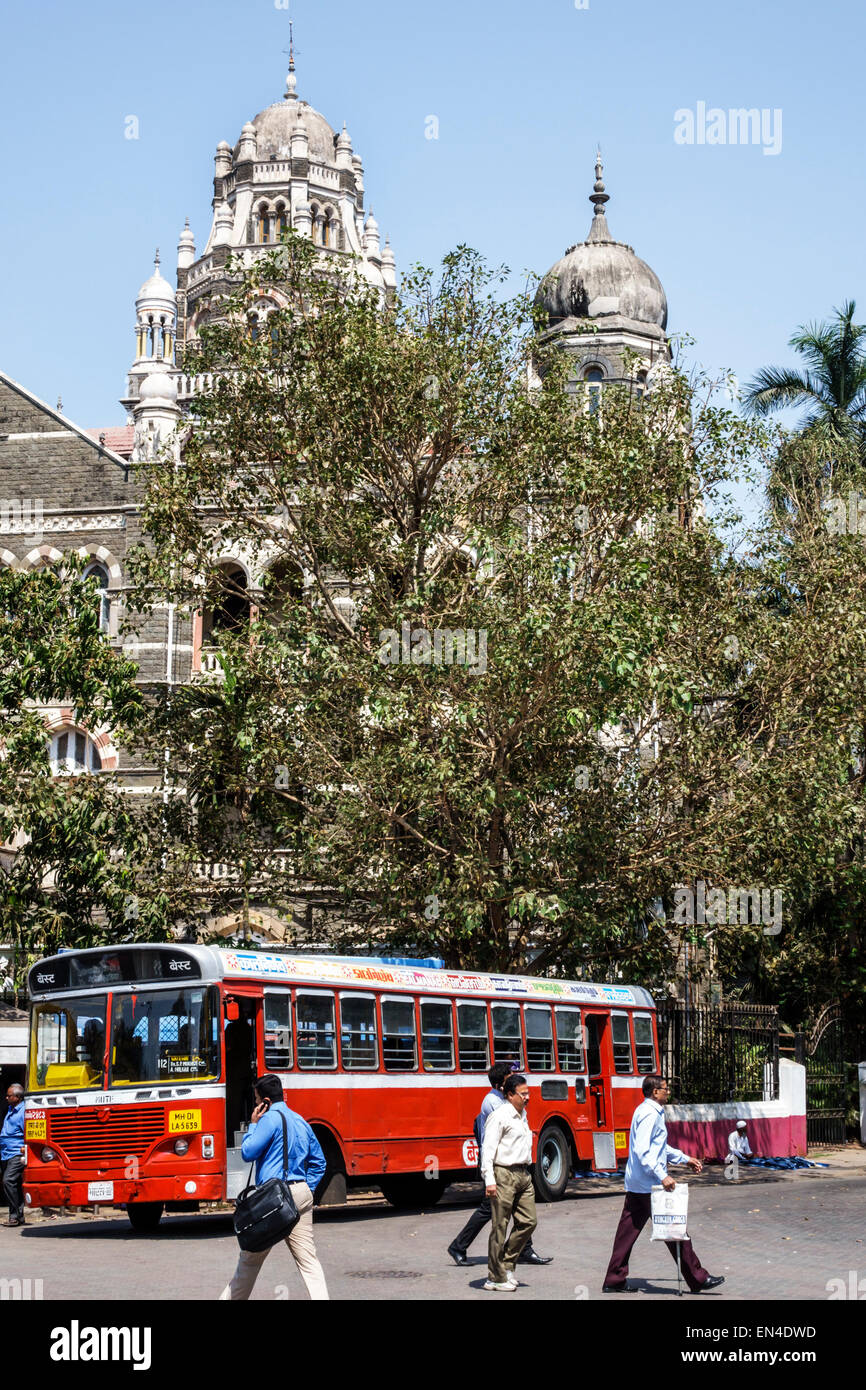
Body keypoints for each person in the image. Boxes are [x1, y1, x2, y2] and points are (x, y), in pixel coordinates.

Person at [602, 1074, 724, 1294]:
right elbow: (643, 1150)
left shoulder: (647, 1111)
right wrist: (662, 1175)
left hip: (638, 1183)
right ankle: (697, 1278)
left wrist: (684, 1158)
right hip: (649, 1184)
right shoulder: (649, 1114)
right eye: (665, 1089)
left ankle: (614, 1278)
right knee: (675, 1228)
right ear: (655, 1092)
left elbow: (660, 1148)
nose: (668, 1092)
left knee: (626, 1233)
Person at [219, 1074, 329, 1300]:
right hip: (301, 1193)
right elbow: (320, 1162)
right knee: (309, 1261)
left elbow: (248, 1152)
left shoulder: (268, 1120)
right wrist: (308, 1189)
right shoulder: (300, 1121)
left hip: (273, 1199)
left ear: (265, 1101)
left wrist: (253, 1124)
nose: (256, 1104)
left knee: (249, 1261)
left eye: (257, 1099)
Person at [447, 1061, 552, 1268]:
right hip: (497, 1163)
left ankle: (524, 1249)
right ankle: (459, 1246)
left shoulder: (502, 1099)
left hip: (510, 1165)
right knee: (488, 1210)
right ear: (501, 1083)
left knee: (518, 1209)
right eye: (510, 1077)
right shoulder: (494, 1102)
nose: (514, 1080)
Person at [480, 1073, 537, 1291]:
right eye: (523, 1094)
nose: (527, 1097)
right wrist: (490, 1180)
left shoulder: (522, 1114)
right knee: (500, 1226)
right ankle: (494, 1277)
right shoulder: (500, 1116)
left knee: (529, 1222)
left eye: (528, 1093)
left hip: (523, 1174)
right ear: (510, 1094)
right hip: (503, 1174)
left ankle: (506, 1264)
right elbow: (488, 1150)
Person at [1, 1083, 25, 1227]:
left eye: (9, 1095)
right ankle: (17, 1217)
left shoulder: (23, 1112)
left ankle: (16, 1215)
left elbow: (27, 1133)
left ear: (17, 1097)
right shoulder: (11, 1109)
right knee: (13, 1183)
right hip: (6, 1153)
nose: (6, 1097)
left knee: (8, 1180)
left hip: (16, 1152)